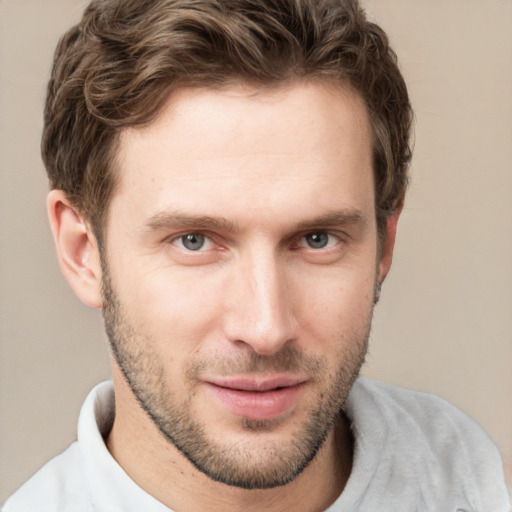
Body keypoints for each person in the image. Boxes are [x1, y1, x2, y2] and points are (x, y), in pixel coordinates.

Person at [2, 0, 510, 510]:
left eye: (317, 239)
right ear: (83, 252)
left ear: (385, 243)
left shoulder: (469, 476)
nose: (266, 328)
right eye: (194, 241)